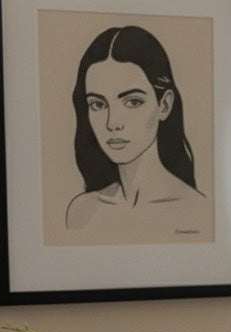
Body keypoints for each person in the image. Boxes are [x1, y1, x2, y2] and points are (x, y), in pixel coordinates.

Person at [65, 24, 208, 239]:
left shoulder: (199, 212)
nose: (112, 123)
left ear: (164, 105)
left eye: (132, 101)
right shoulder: (81, 211)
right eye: (98, 104)